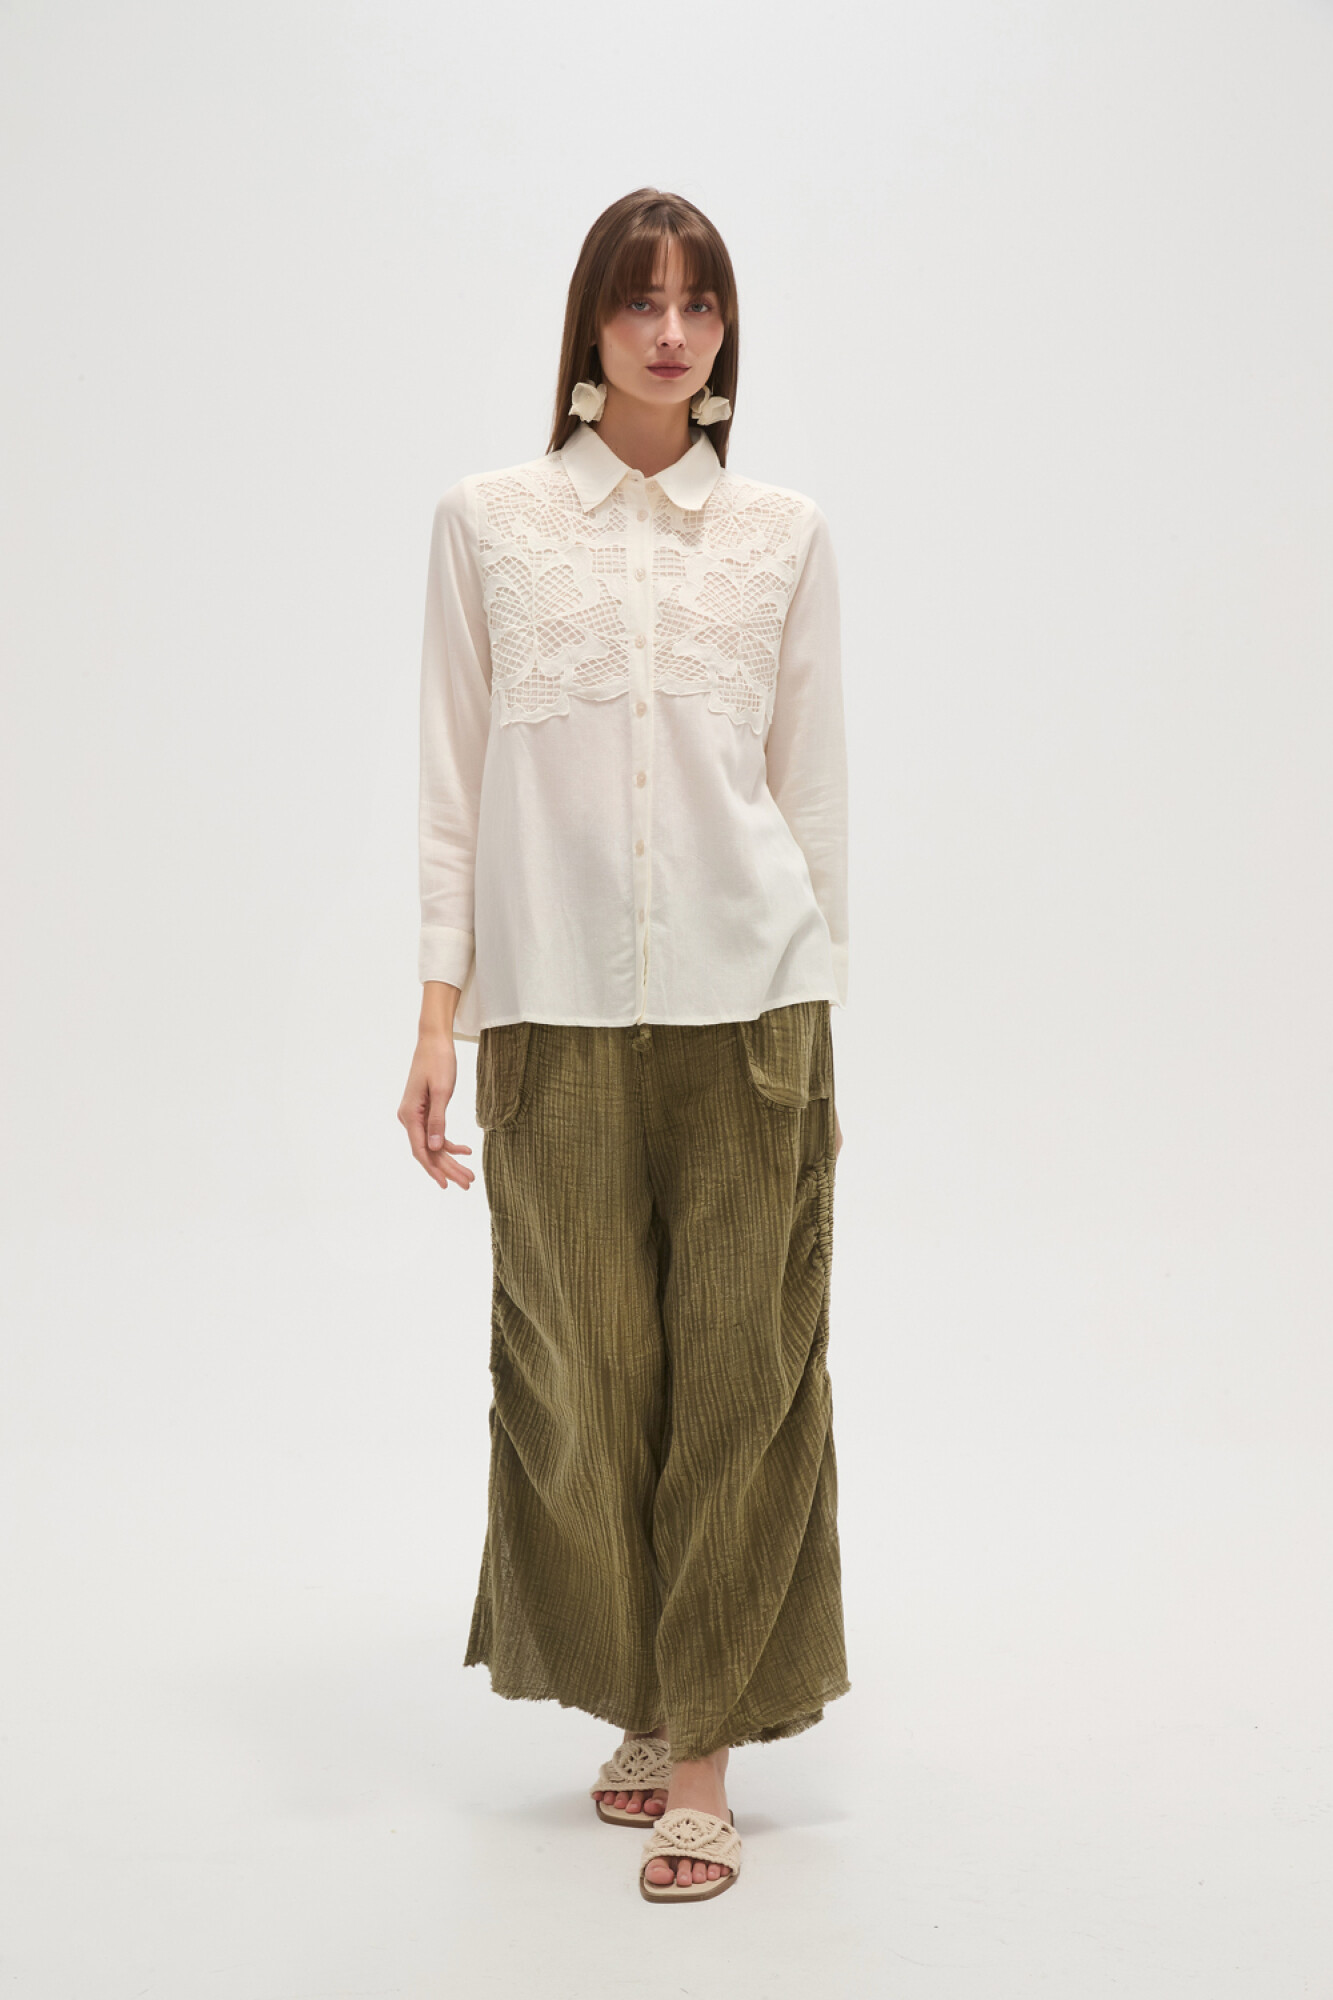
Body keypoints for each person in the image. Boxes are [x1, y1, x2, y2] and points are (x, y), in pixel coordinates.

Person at [397, 187, 850, 1904]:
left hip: (753, 1017)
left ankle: (700, 1759)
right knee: (579, 1382)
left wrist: (820, 1022)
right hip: (552, 1015)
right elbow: (451, 787)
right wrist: (436, 1015)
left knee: (742, 1382)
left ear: (726, 333)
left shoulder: (784, 534)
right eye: (638, 301)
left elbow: (811, 799)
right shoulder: (487, 524)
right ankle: (645, 1696)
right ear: (589, 327)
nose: (670, 332)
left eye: (699, 303)